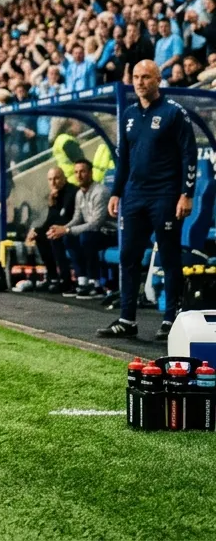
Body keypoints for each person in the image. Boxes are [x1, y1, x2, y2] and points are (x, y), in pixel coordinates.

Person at [98, 60, 195, 341]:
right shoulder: (128, 114)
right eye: (136, 78)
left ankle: (171, 319)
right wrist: (116, 192)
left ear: (158, 80)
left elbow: (189, 155)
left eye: (146, 77)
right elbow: (123, 160)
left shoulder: (174, 114)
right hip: (134, 196)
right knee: (128, 256)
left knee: (168, 255)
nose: (140, 82)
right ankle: (127, 318)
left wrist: (186, 194)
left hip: (165, 195)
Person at [46, 158, 115, 299]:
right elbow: (77, 218)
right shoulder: (79, 194)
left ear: (90, 173)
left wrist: (66, 230)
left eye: (82, 171)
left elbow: (96, 223)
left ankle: (95, 285)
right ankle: (82, 281)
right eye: (76, 172)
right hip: (93, 233)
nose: (79, 175)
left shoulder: (100, 192)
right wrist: (62, 229)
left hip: (110, 232)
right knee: (67, 237)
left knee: (86, 237)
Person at [25, 166, 77, 292]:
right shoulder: (54, 195)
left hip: (73, 228)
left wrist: (53, 228)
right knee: (40, 235)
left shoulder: (72, 192)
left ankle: (66, 280)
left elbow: (65, 217)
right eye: (50, 179)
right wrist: (36, 230)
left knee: (54, 236)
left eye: (56, 178)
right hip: (60, 227)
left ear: (64, 178)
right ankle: (52, 277)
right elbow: (51, 219)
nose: (53, 182)